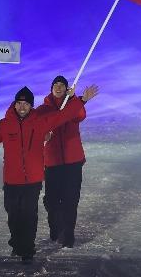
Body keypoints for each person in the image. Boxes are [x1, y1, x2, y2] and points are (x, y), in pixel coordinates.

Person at [0, 85, 84, 264]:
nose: (22, 107)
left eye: (26, 103)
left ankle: (27, 249)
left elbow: (64, 115)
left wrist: (79, 100)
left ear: (31, 106)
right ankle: (16, 242)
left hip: (33, 180)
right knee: (13, 214)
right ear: (14, 105)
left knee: (29, 214)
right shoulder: (5, 124)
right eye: (19, 103)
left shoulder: (40, 122)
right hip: (12, 180)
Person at [38, 75, 99, 248]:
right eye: (55, 84)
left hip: (73, 161)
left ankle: (68, 235)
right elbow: (37, 129)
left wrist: (77, 99)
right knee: (51, 200)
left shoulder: (73, 106)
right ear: (51, 89)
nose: (58, 87)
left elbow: (79, 115)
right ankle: (56, 226)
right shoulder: (43, 109)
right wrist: (44, 135)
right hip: (52, 162)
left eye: (62, 85)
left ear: (67, 89)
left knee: (70, 200)